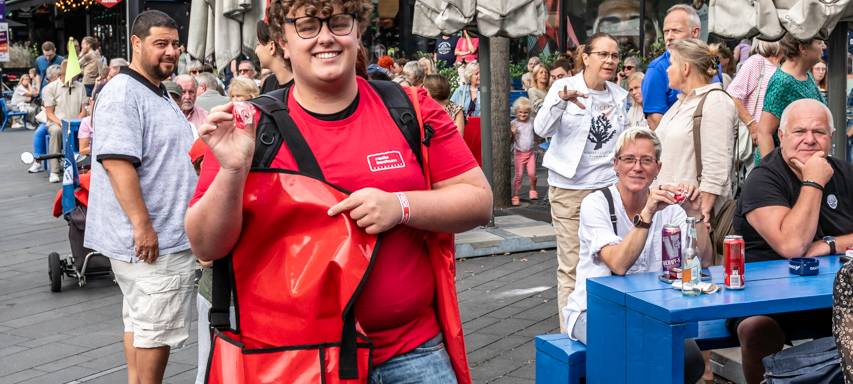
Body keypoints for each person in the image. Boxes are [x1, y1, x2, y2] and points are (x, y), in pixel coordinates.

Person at [186, 0, 492, 382]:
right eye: (308, 25)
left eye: (339, 22)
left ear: (358, 30)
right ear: (282, 39)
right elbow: (206, 246)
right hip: (296, 362)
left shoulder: (412, 108)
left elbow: (478, 200)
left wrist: (401, 206)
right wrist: (233, 170)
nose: (326, 37)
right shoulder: (246, 127)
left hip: (412, 353)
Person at [84, 10, 198, 384]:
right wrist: (143, 226)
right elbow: (117, 164)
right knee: (155, 330)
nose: (170, 52)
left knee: (141, 322)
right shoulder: (123, 93)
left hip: (157, 238)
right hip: (154, 242)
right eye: (160, 44)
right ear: (136, 43)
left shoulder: (157, 89)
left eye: (175, 44)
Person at [563, 128, 711, 384]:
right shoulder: (596, 204)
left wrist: (694, 213)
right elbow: (618, 264)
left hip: (653, 312)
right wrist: (647, 215)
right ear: (615, 165)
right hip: (594, 312)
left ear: (658, 168)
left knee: (689, 360)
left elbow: (706, 261)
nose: (637, 167)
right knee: (634, 352)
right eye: (629, 159)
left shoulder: (671, 209)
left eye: (646, 160)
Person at [732, 99, 851, 384]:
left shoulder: (845, 172)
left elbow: (814, 246)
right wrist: (813, 181)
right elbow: (793, 246)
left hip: (831, 295)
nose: (809, 140)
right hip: (768, 297)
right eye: (799, 132)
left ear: (831, 138)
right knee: (755, 327)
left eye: (819, 132)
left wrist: (830, 244)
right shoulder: (763, 178)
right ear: (781, 136)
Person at [533, 32, 629, 332]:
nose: (610, 61)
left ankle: (602, 329)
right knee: (573, 266)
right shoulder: (564, 87)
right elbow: (541, 129)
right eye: (603, 54)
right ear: (586, 57)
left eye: (614, 56)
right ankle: (570, 336)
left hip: (608, 190)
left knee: (608, 261)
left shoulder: (618, 95)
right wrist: (560, 103)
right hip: (570, 190)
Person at [653, 39, 737, 225]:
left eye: (671, 63)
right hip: (670, 213)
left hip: (693, 217)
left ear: (685, 68)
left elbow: (717, 165)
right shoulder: (680, 103)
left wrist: (703, 214)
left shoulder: (715, 102)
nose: (667, 70)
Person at [642, 4, 721, 130]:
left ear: (695, 32)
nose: (669, 37)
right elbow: (654, 120)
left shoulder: (713, 60)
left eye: (676, 30)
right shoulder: (656, 69)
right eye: (666, 31)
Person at [756, 33, 826, 158]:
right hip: (784, 169)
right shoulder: (783, 82)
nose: (824, 46)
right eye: (819, 43)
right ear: (803, 48)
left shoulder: (806, 75)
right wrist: (772, 172)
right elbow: (764, 132)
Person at [726, 38, 784, 169]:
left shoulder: (783, 65)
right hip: (757, 141)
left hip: (777, 140)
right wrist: (753, 127)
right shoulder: (757, 61)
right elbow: (733, 96)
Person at [42, 60, 87, 184]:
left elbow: (84, 110)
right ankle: (54, 171)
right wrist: (62, 123)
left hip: (76, 121)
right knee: (56, 131)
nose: (76, 77)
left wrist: (77, 121)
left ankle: (81, 167)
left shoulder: (80, 86)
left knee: (85, 130)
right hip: (57, 122)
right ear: (63, 74)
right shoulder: (50, 88)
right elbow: (49, 113)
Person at [27, 64, 61, 174]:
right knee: (39, 133)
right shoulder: (47, 89)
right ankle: (38, 161)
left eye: (50, 78)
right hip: (51, 118)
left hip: (63, 117)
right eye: (48, 78)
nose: (47, 80)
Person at [510, 97, 537, 206]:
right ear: (516, 112)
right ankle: (515, 195)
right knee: (518, 176)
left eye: (525, 112)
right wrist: (512, 133)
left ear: (529, 112)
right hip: (519, 153)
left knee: (532, 174)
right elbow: (511, 140)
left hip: (530, 152)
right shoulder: (514, 123)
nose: (522, 114)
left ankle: (533, 189)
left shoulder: (532, 122)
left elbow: (536, 134)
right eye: (520, 112)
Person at [255, 20, 293, 94]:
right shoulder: (269, 83)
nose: (255, 51)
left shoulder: (301, 87)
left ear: (271, 47)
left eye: (257, 44)